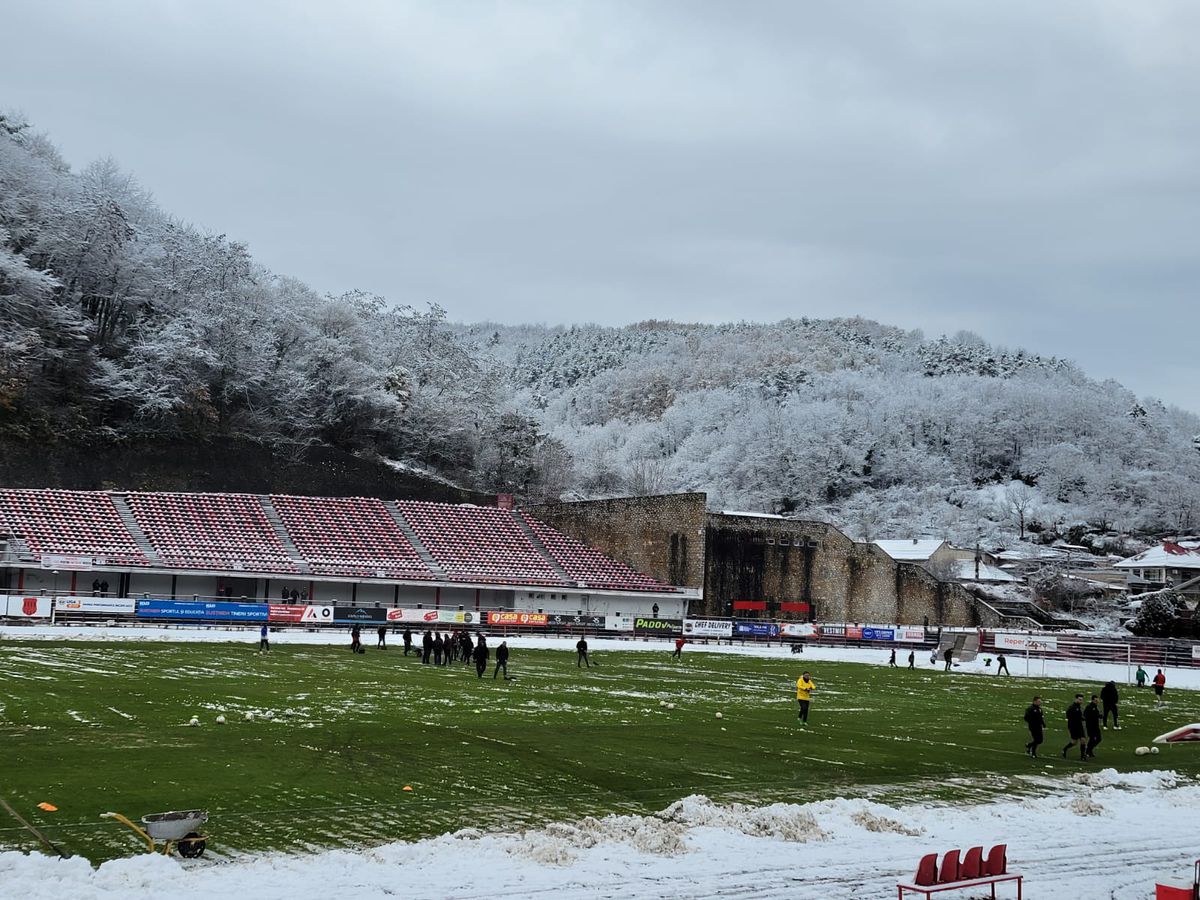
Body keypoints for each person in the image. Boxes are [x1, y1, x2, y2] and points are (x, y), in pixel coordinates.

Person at [1062, 694, 1087, 760]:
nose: (1081, 701)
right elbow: (1068, 716)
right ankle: (1065, 749)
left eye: (1081, 700)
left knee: (1083, 740)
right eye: (1079, 699)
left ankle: (1082, 756)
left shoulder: (1079, 707)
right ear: (1076, 699)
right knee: (1074, 742)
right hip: (1073, 726)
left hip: (1079, 726)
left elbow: (1079, 716)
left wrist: (1083, 718)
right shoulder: (1072, 707)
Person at [1084, 694, 1102, 759]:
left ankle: (1089, 749)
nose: (1097, 701)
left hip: (1096, 726)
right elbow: (1086, 715)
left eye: (1097, 700)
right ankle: (1088, 751)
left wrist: (1099, 716)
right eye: (1095, 700)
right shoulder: (1089, 707)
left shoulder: (1095, 707)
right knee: (1092, 739)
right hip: (1090, 726)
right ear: (1092, 700)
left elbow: (1096, 715)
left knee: (1099, 739)